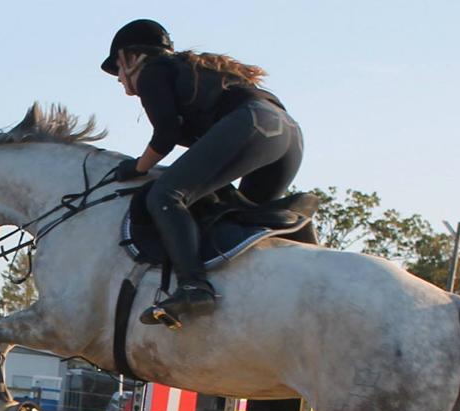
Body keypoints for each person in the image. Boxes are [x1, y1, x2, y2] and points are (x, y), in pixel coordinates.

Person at [101, 19, 306, 328]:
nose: (119, 80)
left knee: (165, 195)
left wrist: (137, 167)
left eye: (117, 68)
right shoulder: (185, 72)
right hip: (286, 132)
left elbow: (166, 134)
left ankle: (194, 287)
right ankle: (301, 253)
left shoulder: (153, 71)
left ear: (130, 57)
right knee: (244, 215)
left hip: (253, 123)